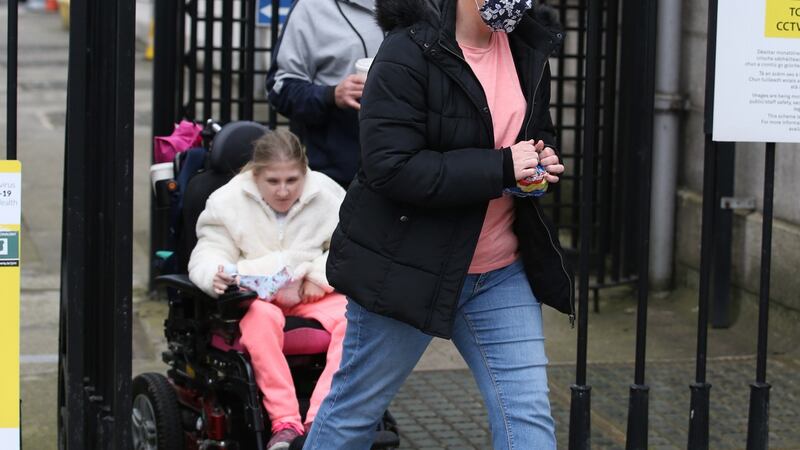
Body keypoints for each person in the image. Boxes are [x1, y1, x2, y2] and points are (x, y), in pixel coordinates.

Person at [298, 0, 572, 449]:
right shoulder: (407, 51)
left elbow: (532, 134)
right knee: (353, 415)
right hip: (409, 270)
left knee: (527, 416)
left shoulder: (525, 44)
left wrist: (538, 165)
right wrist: (502, 168)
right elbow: (391, 167)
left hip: (500, 271)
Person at [188, 130, 347, 450]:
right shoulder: (226, 202)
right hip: (257, 297)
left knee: (355, 318)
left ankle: (322, 419)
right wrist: (214, 276)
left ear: (305, 172)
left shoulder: (328, 195)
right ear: (255, 174)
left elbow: (348, 248)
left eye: (292, 180)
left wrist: (318, 275)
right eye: (273, 181)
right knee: (260, 319)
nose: (284, 190)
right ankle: (285, 422)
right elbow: (209, 252)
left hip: (308, 292)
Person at [266, 0, 384, 188]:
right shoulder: (311, 6)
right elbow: (279, 89)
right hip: (338, 176)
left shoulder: (421, 5)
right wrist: (331, 95)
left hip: (406, 168)